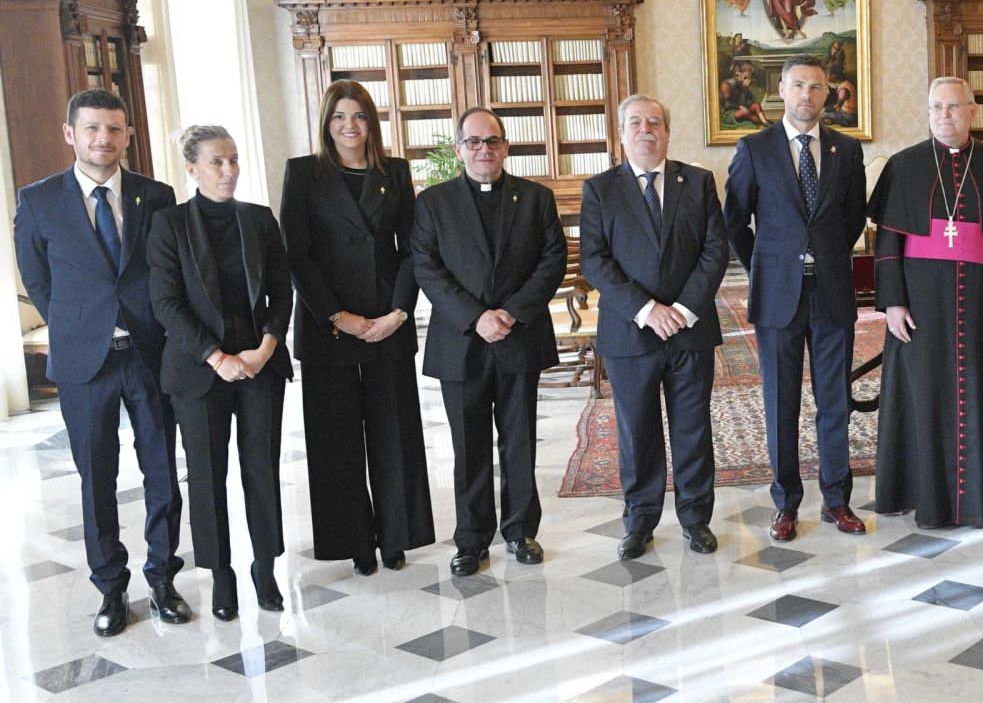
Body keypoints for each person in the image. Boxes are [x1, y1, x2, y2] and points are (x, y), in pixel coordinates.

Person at [14, 89, 188, 636]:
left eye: (113, 129)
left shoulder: (155, 196)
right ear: (71, 134)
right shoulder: (38, 200)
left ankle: (163, 579)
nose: (103, 139)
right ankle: (111, 588)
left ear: (127, 135)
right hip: (84, 362)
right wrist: (81, 323)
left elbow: (168, 272)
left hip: (148, 354)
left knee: (162, 472)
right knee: (97, 479)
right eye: (91, 128)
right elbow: (37, 280)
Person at [868, 77, 983, 529]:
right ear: (928, 113)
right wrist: (892, 301)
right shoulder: (904, 166)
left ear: (972, 112)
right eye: (937, 107)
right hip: (920, 301)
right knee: (921, 391)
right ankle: (920, 492)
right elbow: (888, 241)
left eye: (954, 106)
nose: (945, 115)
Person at [279, 79, 434, 575]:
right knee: (336, 440)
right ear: (327, 123)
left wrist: (399, 312)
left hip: (387, 319)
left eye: (360, 116)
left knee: (395, 433)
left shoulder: (395, 172)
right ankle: (355, 541)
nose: (350, 126)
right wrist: (337, 315)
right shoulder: (303, 173)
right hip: (328, 324)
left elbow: (411, 249)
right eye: (340, 116)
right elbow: (296, 254)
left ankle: (396, 535)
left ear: (372, 123)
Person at [412, 107, 567, 577]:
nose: (484, 150)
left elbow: (552, 260)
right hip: (462, 342)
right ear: (458, 149)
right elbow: (426, 267)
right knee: (469, 446)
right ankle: (471, 539)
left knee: (520, 442)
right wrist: (475, 317)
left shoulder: (536, 198)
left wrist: (512, 312)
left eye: (493, 141)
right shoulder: (433, 202)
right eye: (474, 142)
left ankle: (520, 531)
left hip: (519, 338)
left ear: (506, 146)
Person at [148, 126, 293, 621]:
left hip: (259, 363)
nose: (228, 170)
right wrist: (216, 357)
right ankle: (221, 574)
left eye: (233, 159)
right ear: (192, 169)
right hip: (198, 369)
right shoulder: (168, 224)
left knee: (261, 468)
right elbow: (166, 303)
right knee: (207, 477)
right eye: (216, 162)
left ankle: (265, 568)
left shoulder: (259, 218)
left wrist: (266, 347)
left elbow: (282, 291)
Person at [724, 55, 869, 542]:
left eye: (817, 86)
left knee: (835, 401)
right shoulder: (754, 148)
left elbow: (853, 218)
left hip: (832, 291)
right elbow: (734, 221)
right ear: (782, 90)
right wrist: (765, 265)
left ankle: (837, 500)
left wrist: (825, 255)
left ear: (827, 93)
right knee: (781, 402)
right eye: (799, 85)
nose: (807, 94)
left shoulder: (847, 150)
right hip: (777, 295)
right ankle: (786, 503)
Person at [579, 95, 730, 558]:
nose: (645, 130)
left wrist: (681, 309)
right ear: (621, 134)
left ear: (667, 132)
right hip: (630, 332)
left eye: (654, 122)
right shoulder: (600, 189)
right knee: (637, 431)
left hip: (689, 329)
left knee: (692, 428)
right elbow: (595, 260)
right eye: (636, 123)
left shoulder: (698, 181)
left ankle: (695, 519)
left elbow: (715, 250)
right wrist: (647, 310)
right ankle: (640, 522)